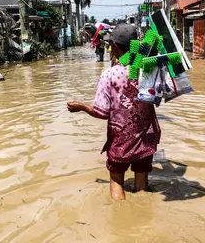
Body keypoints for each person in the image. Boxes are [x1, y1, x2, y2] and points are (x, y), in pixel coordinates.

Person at [67, 24, 161, 200]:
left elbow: (101, 112)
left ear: (115, 47)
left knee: (117, 183)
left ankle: (119, 220)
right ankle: (143, 214)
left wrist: (81, 107)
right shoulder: (148, 69)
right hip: (146, 136)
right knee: (142, 187)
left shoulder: (109, 75)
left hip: (121, 139)